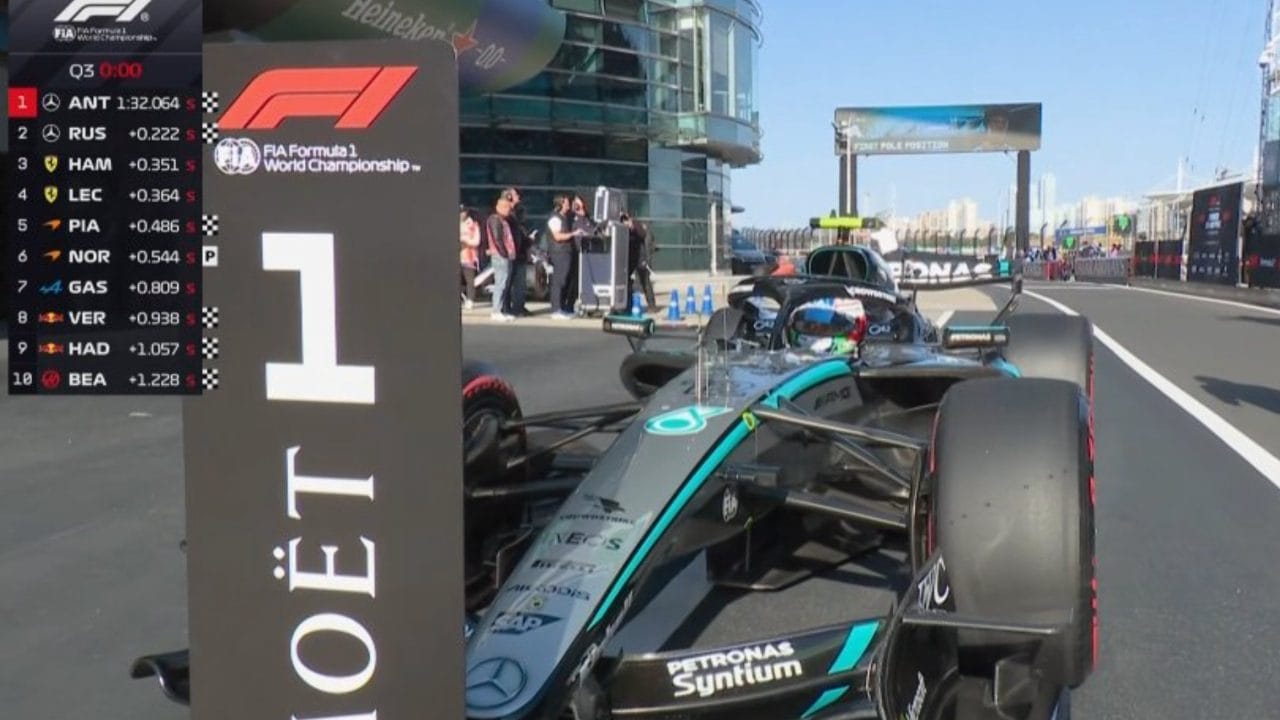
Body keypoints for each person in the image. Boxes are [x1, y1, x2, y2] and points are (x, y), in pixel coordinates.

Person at [484, 189, 520, 322]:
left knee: (505, 283)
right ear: (498, 207)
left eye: (509, 207)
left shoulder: (504, 220)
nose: (508, 210)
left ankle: (502, 310)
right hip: (500, 256)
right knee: (500, 283)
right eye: (505, 207)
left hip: (507, 255)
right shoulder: (495, 219)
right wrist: (504, 253)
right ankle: (496, 311)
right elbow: (497, 239)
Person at [544, 194, 580, 319]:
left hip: (566, 252)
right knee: (558, 281)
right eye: (566, 203)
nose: (568, 206)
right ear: (559, 204)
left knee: (565, 280)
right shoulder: (555, 218)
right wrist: (573, 234)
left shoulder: (566, 217)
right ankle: (556, 309)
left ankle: (562, 307)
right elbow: (558, 236)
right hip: (558, 253)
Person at [502, 187, 532, 317]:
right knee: (508, 282)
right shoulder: (506, 215)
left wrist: (528, 241)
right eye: (515, 195)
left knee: (520, 282)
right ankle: (506, 307)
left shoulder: (518, 212)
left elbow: (521, 230)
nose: (518, 197)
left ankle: (519, 307)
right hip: (510, 253)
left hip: (520, 251)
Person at [621, 211, 656, 310]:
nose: (624, 222)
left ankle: (652, 305)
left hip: (640, 257)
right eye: (623, 220)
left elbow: (643, 234)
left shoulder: (636, 225)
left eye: (626, 219)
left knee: (645, 281)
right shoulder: (621, 228)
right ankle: (627, 304)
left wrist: (632, 225)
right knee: (626, 280)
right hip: (629, 258)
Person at [459, 205, 481, 310]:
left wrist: (466, 241)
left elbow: (477, 241)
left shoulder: (473, 225)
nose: (461, 214)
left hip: (469, 257)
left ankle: (470, 300)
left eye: (463, 212)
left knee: (470, 280)